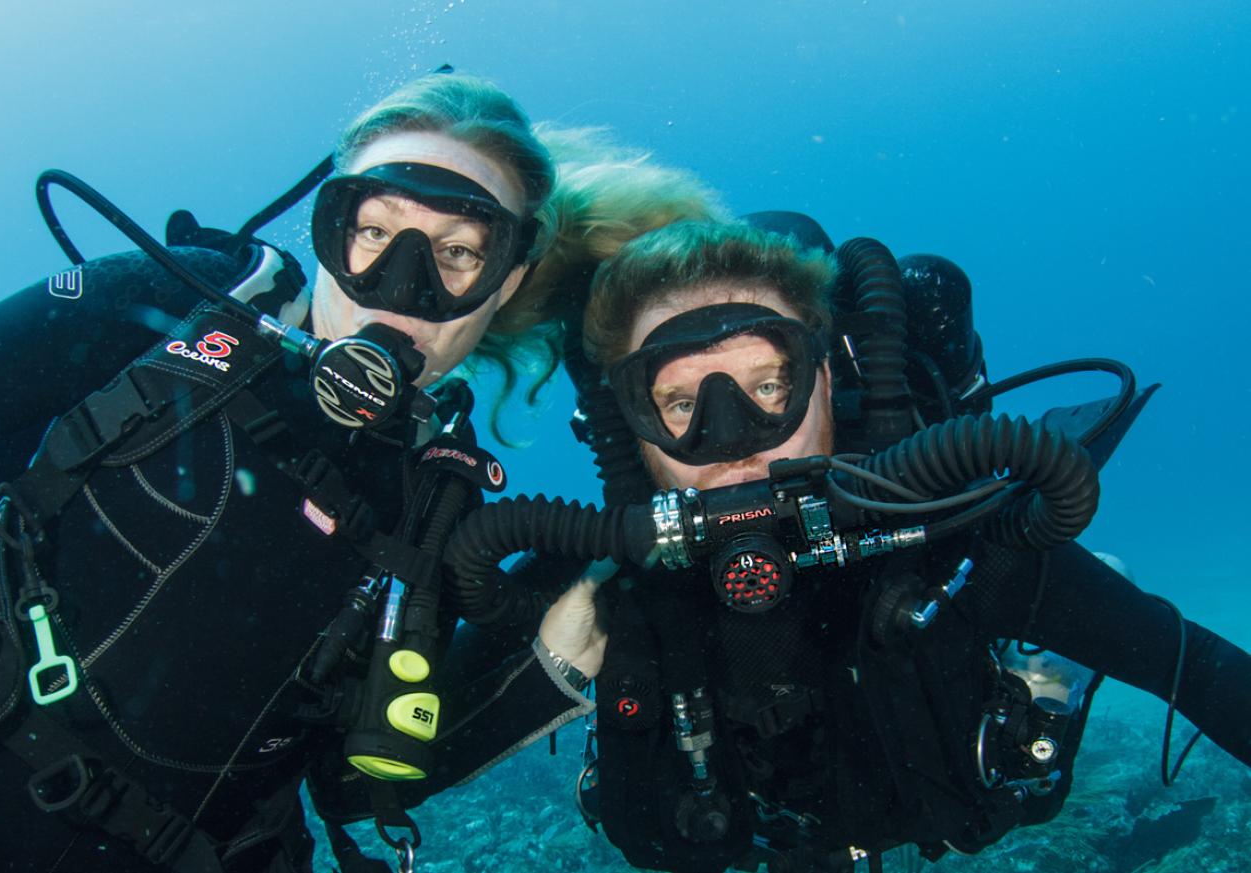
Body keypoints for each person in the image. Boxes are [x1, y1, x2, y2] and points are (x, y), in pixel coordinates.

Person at [0, 71, 721, 872]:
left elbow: (356, 779)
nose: (401, 288)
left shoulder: (435, 501)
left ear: (507, 282)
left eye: (456, 253)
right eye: (375, 233)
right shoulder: (162, 306)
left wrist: (550, 661)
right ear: (326, 229)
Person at [458, 219, 1251, 872]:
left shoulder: (953, 537)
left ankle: (1050, 676)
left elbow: (1207, 673)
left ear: (829, 382)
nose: (730, 444)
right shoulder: (603, 579)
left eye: (769, 386)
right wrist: (554, 669)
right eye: (678, 402)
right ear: (629, 433)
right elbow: (396, 765)